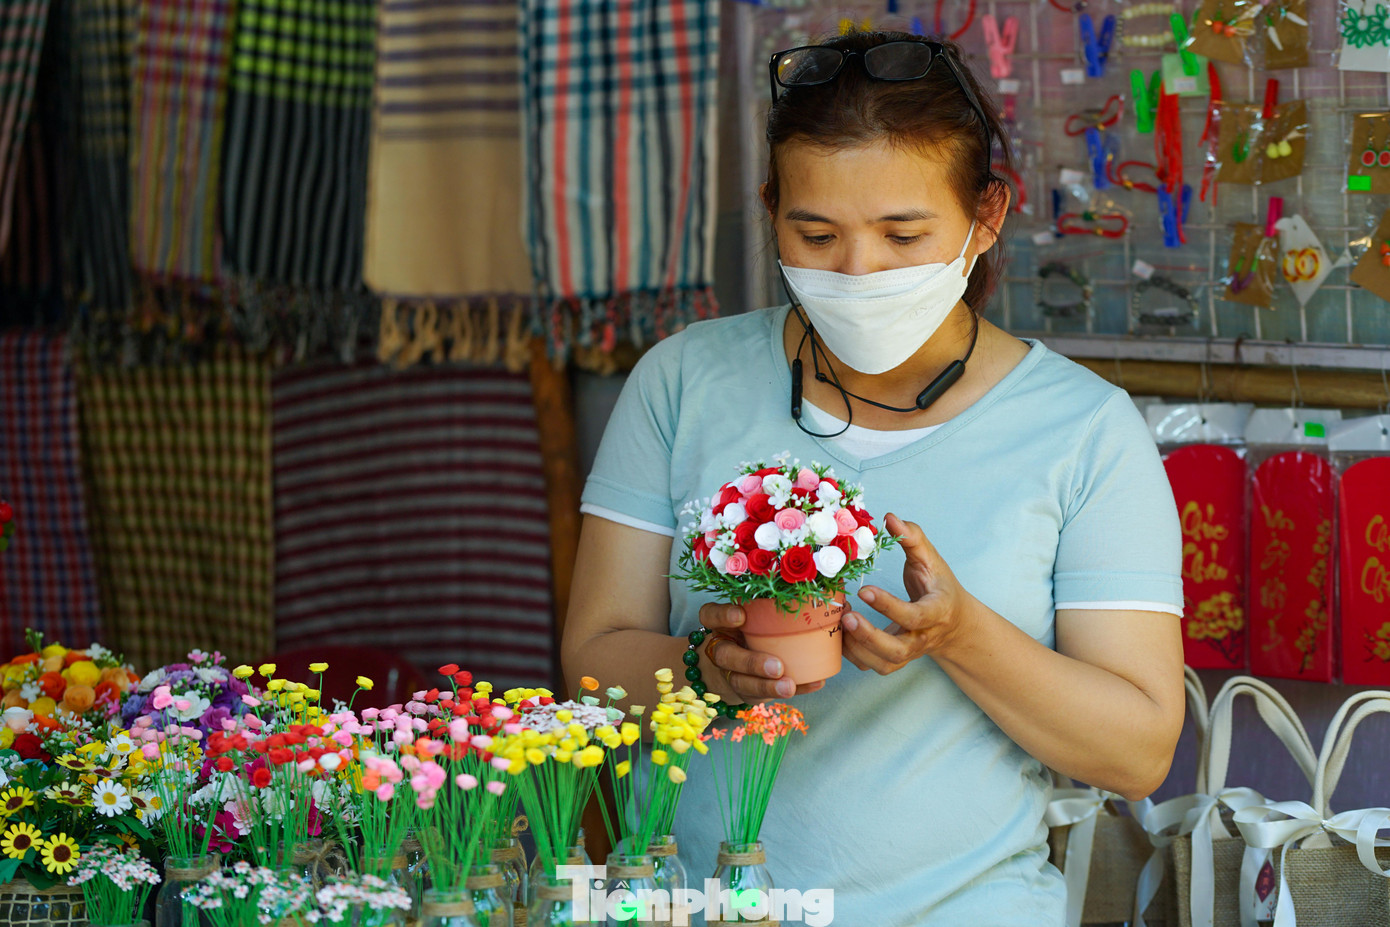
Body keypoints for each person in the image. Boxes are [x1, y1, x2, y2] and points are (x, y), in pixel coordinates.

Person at [563, 29, 1184, 925]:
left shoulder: (1083, 429)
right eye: (816, 233)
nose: (858, 270)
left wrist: (961, 634)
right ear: (772, 209)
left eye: (904, 234)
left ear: (987, 216)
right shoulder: (683, 381)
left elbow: (1138, 751)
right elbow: (593, 665)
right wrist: (709, 667)